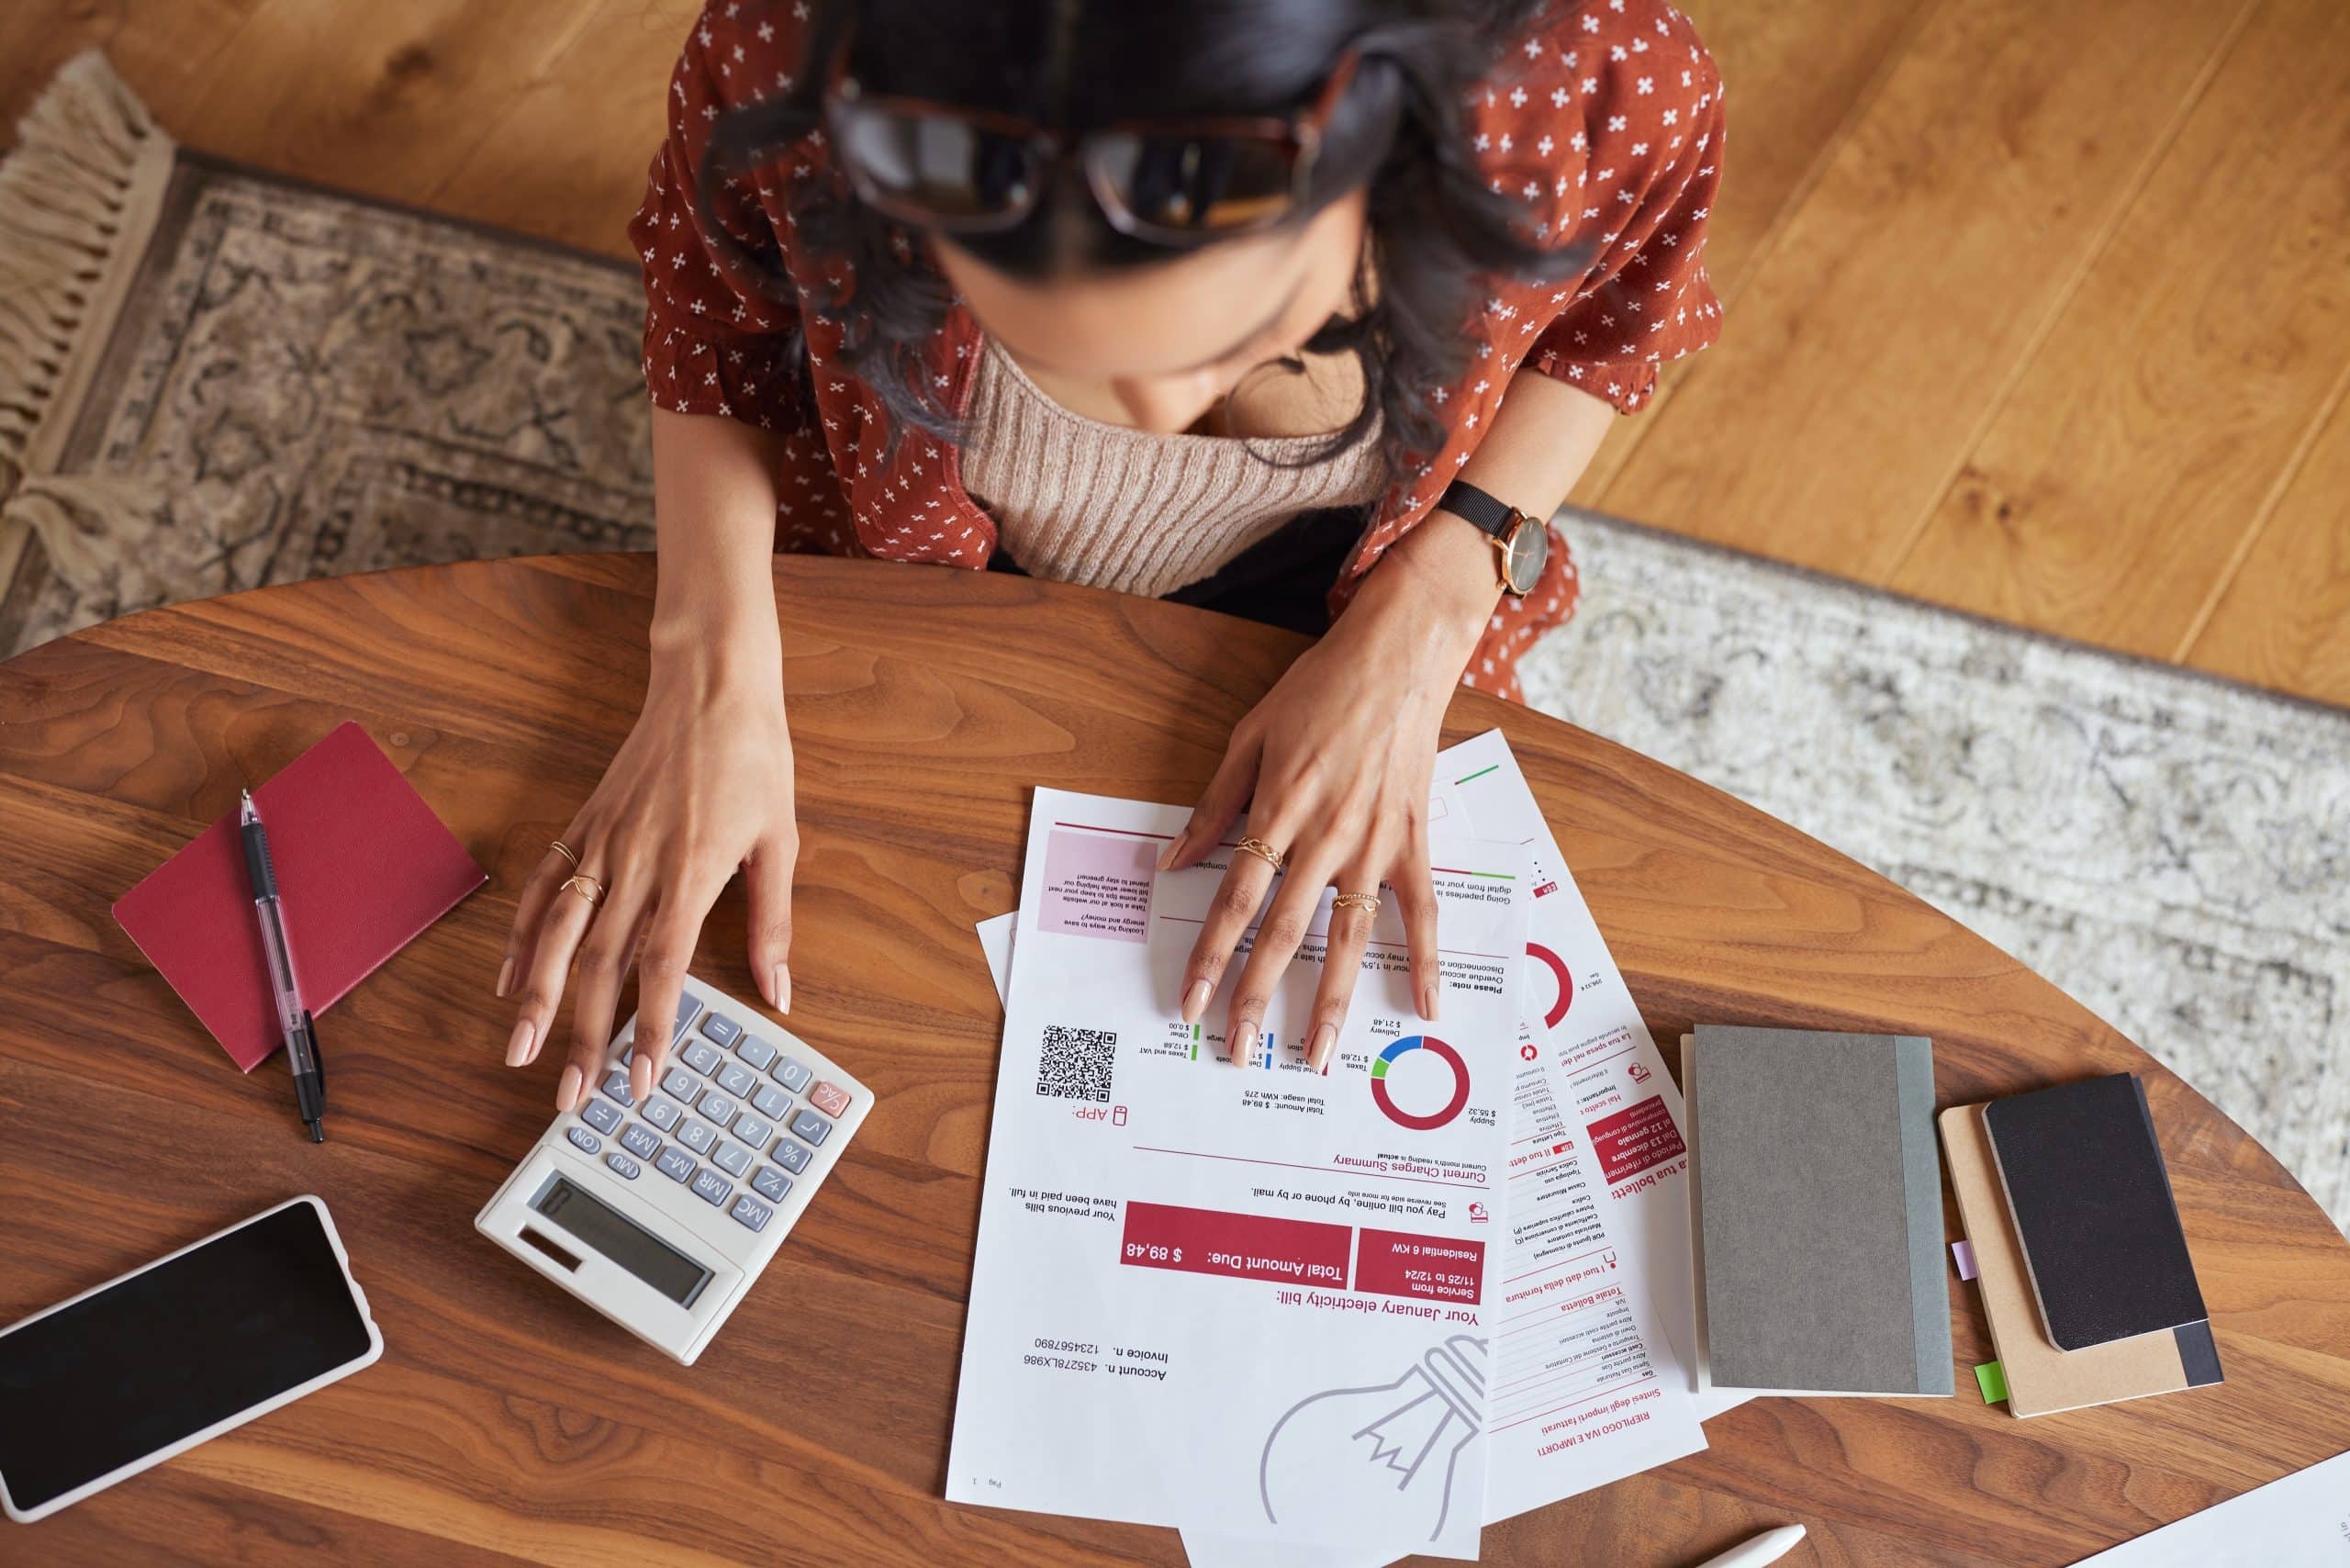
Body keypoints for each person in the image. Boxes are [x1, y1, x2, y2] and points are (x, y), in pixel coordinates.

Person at [497, 0, 1723, 1109]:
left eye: (1244, 340)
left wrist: (1434, 604)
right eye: (1048, 342)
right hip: (918, 568)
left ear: (1390, 155)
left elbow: (1617, 328)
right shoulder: (801, 49)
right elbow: (721, 314)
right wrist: (706, 661)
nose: (1153, 412)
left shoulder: (1588, 78)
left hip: (1382, 571)